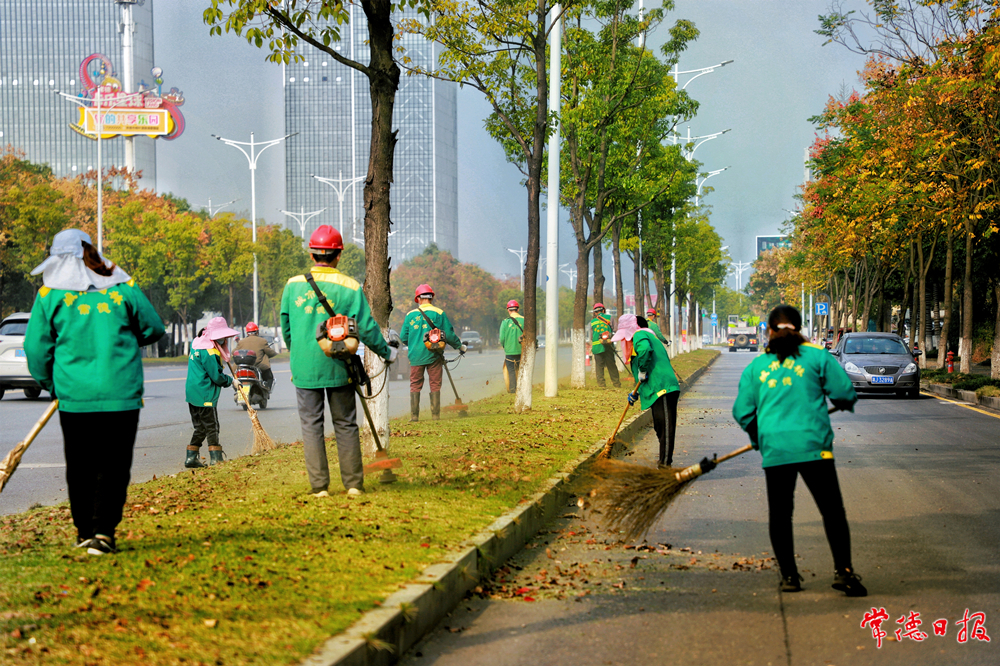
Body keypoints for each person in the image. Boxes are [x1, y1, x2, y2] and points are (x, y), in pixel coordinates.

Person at [24, 229, 165, 556]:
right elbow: (154, 328)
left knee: (80, 464)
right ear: (92, 251)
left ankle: (84, 530)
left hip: (74, 395)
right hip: (121, 392)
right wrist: (127, 339)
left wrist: (51, 384)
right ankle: (103, 532)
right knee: (114, 464)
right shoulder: (122, 286)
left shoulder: (49, 295)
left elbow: (35, 349)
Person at [731, 304, 866, 596]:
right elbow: (844, 392)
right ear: (800, 329)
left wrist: (758, 436)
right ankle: (844, 572)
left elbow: (742, 412)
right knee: (832, 511)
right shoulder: (817, 357)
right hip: (813, 447)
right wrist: (844, 401)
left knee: (780, 515)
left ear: (768, 331)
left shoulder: (756, 368)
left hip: (776, 450)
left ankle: (789, 577)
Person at [280, 225, 395, 497]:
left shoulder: (292, 285)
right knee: (345, 423)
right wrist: (386, 352)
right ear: (338, 256)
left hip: (305, 368)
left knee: (311, 425)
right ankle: (353, 484)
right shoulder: (350, 286)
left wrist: (298, 353)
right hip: (339, 365)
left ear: (312, 255)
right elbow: (365, 328)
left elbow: (286, 328)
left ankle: (319, 487)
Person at [613, 314, 680, 468]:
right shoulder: (647, 336)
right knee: (660, 427)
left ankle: (665, 464)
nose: (624, 341)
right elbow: (645, 371)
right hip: (656, 387)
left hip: (663, 387)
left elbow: (644, 351)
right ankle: (663, 461)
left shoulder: (639, 334)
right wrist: (635, 392)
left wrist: (642, 370)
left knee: (666, 427)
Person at [401, 283, 464, 421]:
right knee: (435, 383)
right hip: (434, 355)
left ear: (417, 298)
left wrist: (414, 344)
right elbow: (449, 334)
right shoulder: (439, 313)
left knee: (415, 384)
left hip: (415, 356)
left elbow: (403, 337)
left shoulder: (410, 315)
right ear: (431, 298)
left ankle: (414, 417)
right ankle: (435, 415)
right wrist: (459, 346)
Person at [185, 317, 237, 468]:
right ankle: (216, 459)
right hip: (205, 394)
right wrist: (231, 381)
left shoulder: (197, 343)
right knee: (212, 426)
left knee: (200, 427)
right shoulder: (210, 351)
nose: (225, 339)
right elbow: (216, 376)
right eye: (223, 337)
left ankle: (191, 458)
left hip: (192, 393)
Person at [235, 321, 276, 390]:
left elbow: (234, 352)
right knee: (269, 377)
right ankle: (267, 389)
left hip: (243, 366)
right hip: (258, 366)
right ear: (257, 332)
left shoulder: (241, 342)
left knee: (235, 376)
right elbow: (270, 353)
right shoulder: (262, 341)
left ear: (247, 333)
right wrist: (275, 353)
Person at [590, 303, 620, 388]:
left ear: (595, 312)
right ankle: (616, 384)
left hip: (596, 347)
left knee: (599, 367)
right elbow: (616, 330)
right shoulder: (609, 318)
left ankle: (601, 385)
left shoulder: (592, 322)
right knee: (611, 366)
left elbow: (592, 336)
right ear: (604, 310)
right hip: (607, 346)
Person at [498, 299, 525, 394]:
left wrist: (505, 346)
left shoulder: (505, 322)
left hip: (510, 352)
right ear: (517, 309)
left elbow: (501, 338)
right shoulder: (524, 320)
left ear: (508, 310)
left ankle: (513, 390)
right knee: (521, 371)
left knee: (511, 372)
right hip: (522, 351)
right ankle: (522, 389)